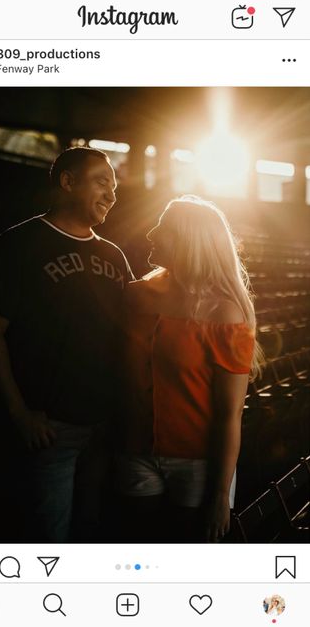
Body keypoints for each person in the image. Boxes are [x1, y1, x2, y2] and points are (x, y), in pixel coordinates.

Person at [0, 146, 133, 542]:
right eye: (102, 181)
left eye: (115, 187)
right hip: (50, 430)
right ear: (67, 182)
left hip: (104, 429)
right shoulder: (20, 243)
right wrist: (19, 414)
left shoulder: (114, 255)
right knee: (49, 542)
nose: (112, 194)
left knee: (92, 533)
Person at [118, 195, 263, 543]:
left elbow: (230, 415)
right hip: (134, 451)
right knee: (139, 554)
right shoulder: (136, 295)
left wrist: (219, 496)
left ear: (188, 241)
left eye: (164, 229)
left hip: (198, 464)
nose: (151, 234)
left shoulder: (225, 313)